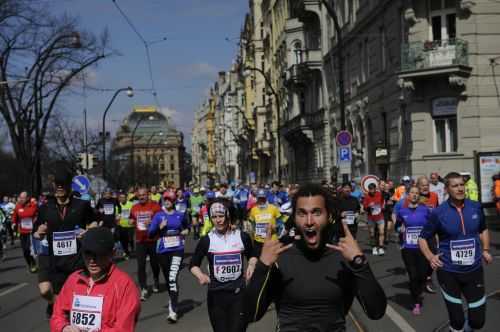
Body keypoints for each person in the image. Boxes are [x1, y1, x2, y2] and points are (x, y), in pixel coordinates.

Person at [245, 183, 386, 331]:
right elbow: (250, 314)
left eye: (317, 212)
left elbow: (376, 311)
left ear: (328, 216)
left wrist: (360, 262)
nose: (309, 222)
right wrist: (262, 266)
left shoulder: (344, 257)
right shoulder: (280, 257)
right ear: (294, 218)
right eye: (302, 213)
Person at [419, 172, 493, 332]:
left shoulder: (476, 207)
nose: (460, 188)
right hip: (449, 272)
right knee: (457, 320)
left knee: (478, 321)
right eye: (455, 186)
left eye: (462, 185)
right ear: (447, 189)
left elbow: (483, 229)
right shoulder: (438, 213)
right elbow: (422, 238)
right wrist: (430, 256)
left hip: (474, 271)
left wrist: (485, 249)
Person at [33, 164, 97, 319]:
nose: (60, 187)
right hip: (52, 258)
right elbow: (36, 233)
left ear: (69, 184)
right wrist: (39, 232)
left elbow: (94, 223)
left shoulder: (81, 205)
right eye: (57, 184)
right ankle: (54, 303)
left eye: (63, 184)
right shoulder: (45, 207)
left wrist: (87, 232)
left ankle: (64, 316)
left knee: (74, 304)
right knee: (45, 291)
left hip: (75, 259)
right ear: (53, 185)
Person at [50, 227, 141, 332]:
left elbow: (123, 328)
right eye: (88, 253)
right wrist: (63, 327)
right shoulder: (73, 280)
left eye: (99, 254)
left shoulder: (124, 285)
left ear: (112, 253)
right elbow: (57, 315)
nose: (92, 260)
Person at [190, 198, 257, 332]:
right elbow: (193, 264)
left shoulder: (242, 237)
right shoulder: (207, 240)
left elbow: (252, 255)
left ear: (228, 215)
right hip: (216, 296)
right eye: (214, 217)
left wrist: (251, 265)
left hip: (238, 295)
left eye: (221, 216)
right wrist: (200, 275)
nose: (218, 220)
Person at [148, 191, 189, 323]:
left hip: (178, 250)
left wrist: (185, 231)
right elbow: (150, 233)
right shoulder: (159, 216)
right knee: (168, 279)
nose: (167, 202)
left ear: (174, 201)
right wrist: (159, 227)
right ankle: (173, 297)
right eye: (165, 199)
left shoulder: (180, 215)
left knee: (172, 278)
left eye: (169, 200)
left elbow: (187, 227)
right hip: (163, 251)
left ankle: (173, 311)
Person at [396, 185, 431, 315]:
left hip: (422, 248)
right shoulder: (402, 212)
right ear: (408, 195)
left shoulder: (425, 210)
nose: (415, 195)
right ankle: (416, 301)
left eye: (417, 193)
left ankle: (418, 291)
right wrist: (400, 230)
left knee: (422, 275)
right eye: (412, 193)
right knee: (413, 275)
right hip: (408, 249)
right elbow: (397, 226)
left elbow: (432, 226)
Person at [129, 187, 161, 301]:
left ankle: (156, 280)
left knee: (154, 264)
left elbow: (161, 220)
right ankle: (143, 288)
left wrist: (153, 222)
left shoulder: (155, 206)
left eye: (143, 195)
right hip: (140, 241)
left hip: (153, 240)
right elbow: (131, 219)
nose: (141, 197)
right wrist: (131, 221)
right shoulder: (134, 207)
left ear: (148, 195)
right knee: (141, 265)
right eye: (139, 195)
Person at [248, 188, 283, 257]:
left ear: (266, 198)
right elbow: (252, 224)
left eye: (263, 198)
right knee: (258, 261)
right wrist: (253, 231)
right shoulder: (253, 210)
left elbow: (280, 222)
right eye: (259, 198)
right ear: (257, 198)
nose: (261, 201)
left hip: (271, 240)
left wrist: (275, 226)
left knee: (272, 262)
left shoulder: (273, 208)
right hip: (258, 241)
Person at [12, 191, 38, 272]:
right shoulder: (17, 206)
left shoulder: (32, 204)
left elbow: (31, 213)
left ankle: (33, 263)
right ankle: (31, 263)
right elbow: (15, 216)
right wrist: (13, 223)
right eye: (20, 197)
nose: (21, 199)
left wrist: (24, 212)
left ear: (27, 198)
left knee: (29, 249)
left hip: (31, 231)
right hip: (22, 232)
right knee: (25, 251)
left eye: (23, 198)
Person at [363, 183, 386, 255]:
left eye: (373, 189)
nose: (372, 191)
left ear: (375, 189)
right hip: (371, 217)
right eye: (370, 189)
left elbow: (382, 201)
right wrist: (368, 206)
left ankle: (381, 247)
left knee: (381, 232)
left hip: (380, 216)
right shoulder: (367, 196)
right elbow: (364, 207)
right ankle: (374, 247)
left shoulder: (379, 194)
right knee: (372, 234)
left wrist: (383, 206)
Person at [117, 193, 135, 258]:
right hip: (121, 226)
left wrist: (133, 219)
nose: (122, 199)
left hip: (130, 225)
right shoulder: (118, 205)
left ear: (126, 198)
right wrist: (117, 218)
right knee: (124, 240)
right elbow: (116, 215)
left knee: (130, 239)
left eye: (123, 197)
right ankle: (126, 252)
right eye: (121, 197)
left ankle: (132, 249)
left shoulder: (131, 204)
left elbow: (134, 212)